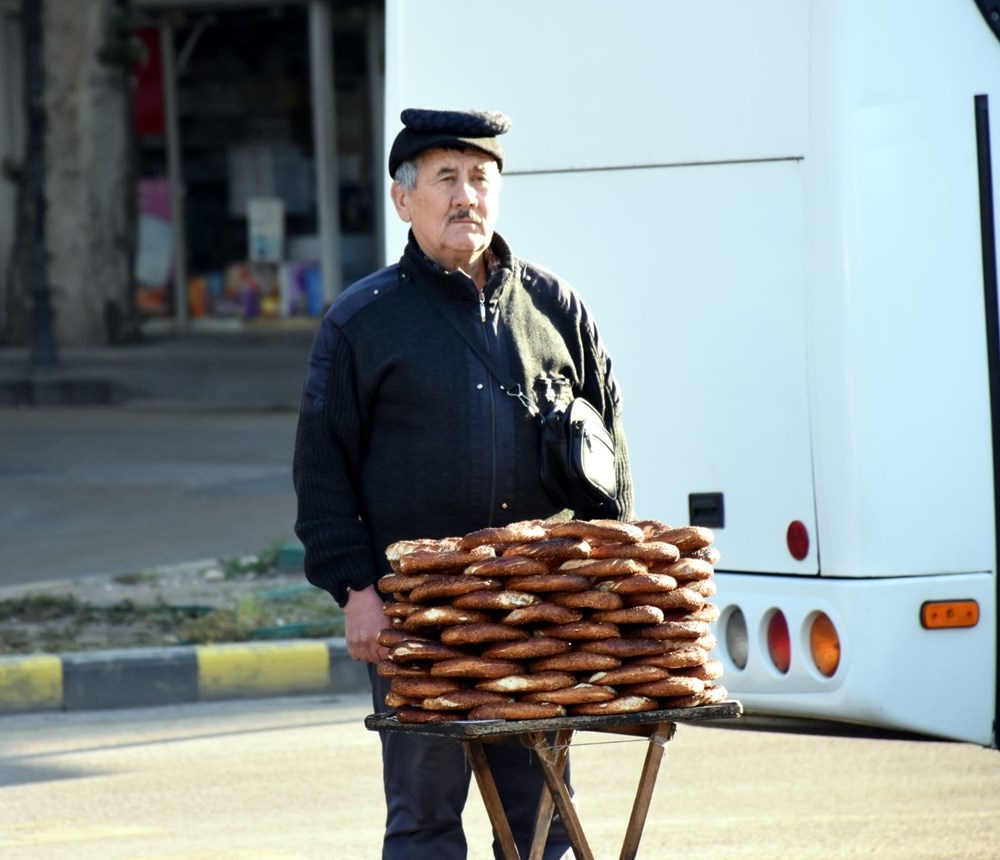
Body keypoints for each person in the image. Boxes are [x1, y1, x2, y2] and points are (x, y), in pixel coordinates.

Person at [293, 108, 634, 860]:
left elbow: (609, 457)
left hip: (541, 611)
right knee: (424, 820)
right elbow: (321, 473)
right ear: (402, 199)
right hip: (418, 617)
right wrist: (356, 590)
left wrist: (608, 583)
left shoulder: (556, 308)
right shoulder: (361, 322)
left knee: (543, 816)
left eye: (481, 178)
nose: (466, 196)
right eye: (446, 177)